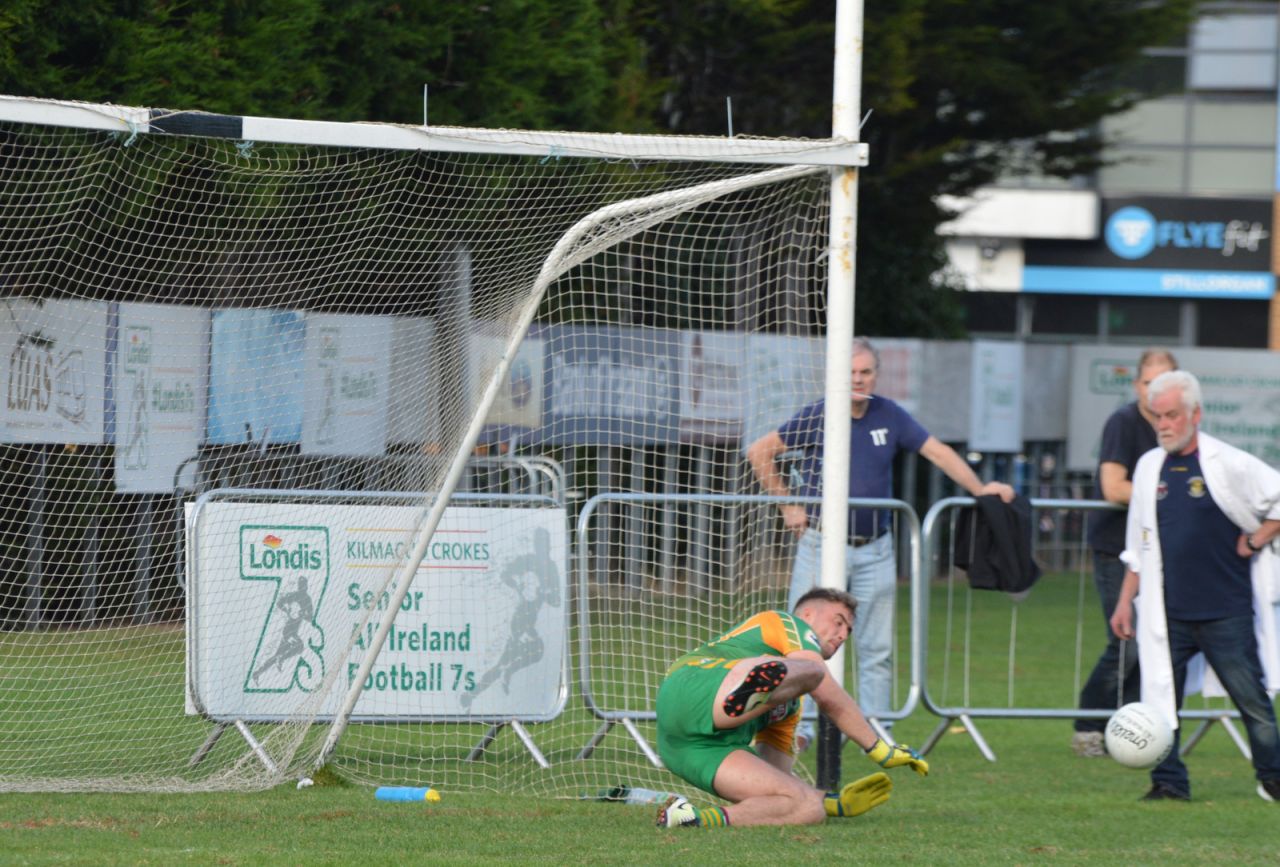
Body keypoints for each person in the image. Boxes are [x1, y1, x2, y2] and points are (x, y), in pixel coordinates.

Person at [747, 336, 1014, 746]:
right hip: (821, 545)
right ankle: (799, 729)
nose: (858, 379)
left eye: (866, 372)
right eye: (851, 372)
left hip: (876, 548)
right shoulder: (819, 413)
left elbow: (938, 453)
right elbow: (760, 451)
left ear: (876, 375)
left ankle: (875, 731)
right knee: (803, 644)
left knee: (876, 647)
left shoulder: (890, 414)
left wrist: (981, 490)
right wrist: (787, 505)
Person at [1109, 370, 1280, 803]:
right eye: (1157, 416)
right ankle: (1169, 782)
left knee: (1253, 703)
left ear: (1195, 414)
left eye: (1171, 415)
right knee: (1159, 700)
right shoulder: (1149, 467)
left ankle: (1273, 778)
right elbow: (1139, 544)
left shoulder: (1230, 462)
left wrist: (1258, 538)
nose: (1163, 424)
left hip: (1227, 610)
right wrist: (1125, 601)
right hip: (1167, 613)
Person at [654, 587, 929, 828]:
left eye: (848, 630)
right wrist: (879, 748)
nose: (843, 634)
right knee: (812, 671)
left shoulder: (789, 705)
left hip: (687, 750)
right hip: (693, 685)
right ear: (807, 615)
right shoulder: (784, 622)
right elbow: (829, 697)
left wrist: (831, 802)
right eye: (838, 621)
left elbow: (777, 773)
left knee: (806, 807)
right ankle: (746, 685)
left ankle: (691, 820)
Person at [1072, 348, 1177, 758]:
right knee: (1126, 640)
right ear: (1138, 386)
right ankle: (1088, 725)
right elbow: (1113, 487)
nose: (1157, 391)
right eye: (1150, 382)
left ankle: (1134, 729)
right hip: (1118, 549)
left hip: (1159, 550)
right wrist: (1166, 498)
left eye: (1166, 381)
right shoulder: (1124, 422)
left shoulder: (1178, 428)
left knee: (1152, 643)